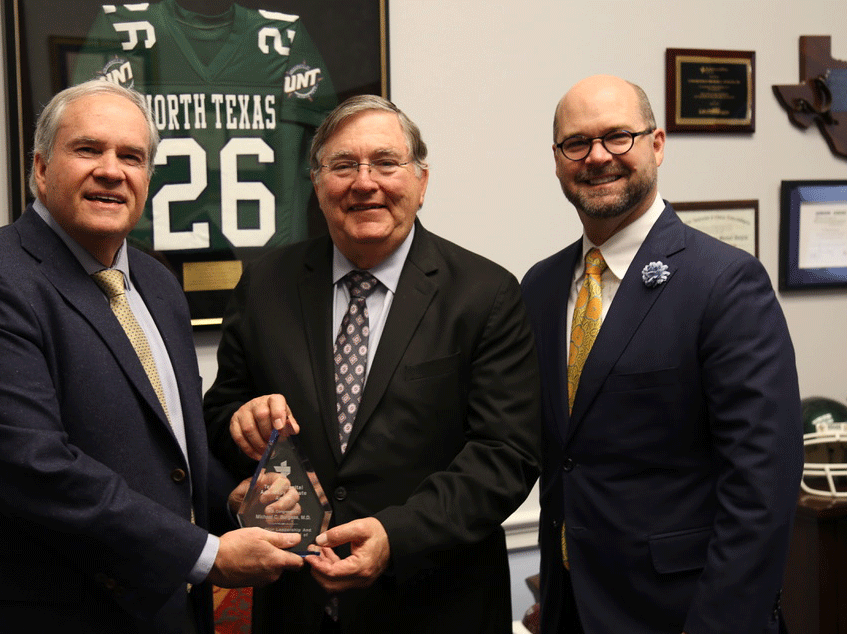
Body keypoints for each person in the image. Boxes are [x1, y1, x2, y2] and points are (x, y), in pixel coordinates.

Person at [0, 80, 304, 634]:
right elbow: (37, 470)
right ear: (42, 169)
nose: (112, 170)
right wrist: (207, 553)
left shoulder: (157, 282)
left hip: (160, 611)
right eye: (88, 149)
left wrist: (230, 499)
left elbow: (172, 448)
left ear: (148, 179)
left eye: (132, 156)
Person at [203, 94, 541, 634]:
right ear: (317, 185)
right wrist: (240, 422)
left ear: (422, 182)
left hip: (436, 605)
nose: (365, 182)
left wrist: (395, 534)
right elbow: (221, 414)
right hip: (296, 605)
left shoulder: (485, 293)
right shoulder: (266, 285)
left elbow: (506, 455)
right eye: (343, 165)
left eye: (386, 162)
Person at [520, 74, 803, 634]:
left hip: (686, 614)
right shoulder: (542, 287)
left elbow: (761, 486)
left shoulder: (724, 283)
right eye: (577, 143)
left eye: (618, 136)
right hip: (571, 607)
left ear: (657, 144)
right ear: (556, 161)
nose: (597, 156)